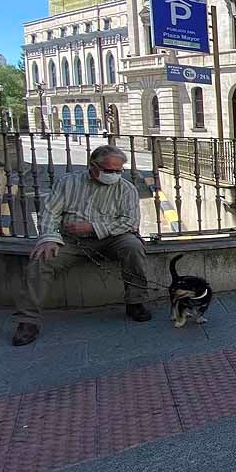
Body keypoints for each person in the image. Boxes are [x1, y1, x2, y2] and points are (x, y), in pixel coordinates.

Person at [12, 144, 151, 346]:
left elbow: (129, 222)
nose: (114, 175)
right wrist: (50, 237)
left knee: (133, 246)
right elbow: (50, 213)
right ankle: (28, 321)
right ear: (93, 166)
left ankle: (136, 301)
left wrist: (93, 227)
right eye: (109, 170)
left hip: (110, 238)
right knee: (42, 259)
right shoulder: (67, 183)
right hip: (71, 241)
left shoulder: (126, 189)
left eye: (119, 171)